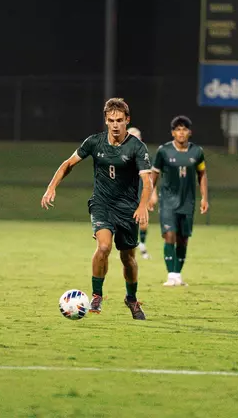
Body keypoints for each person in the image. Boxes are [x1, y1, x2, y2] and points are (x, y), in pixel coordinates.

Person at [41, 98, 152, 320]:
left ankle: (131, 299)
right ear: (106, 120)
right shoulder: (94, 142)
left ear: (127, 120)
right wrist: (51, 187)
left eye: (119, 120)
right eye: (111, 120)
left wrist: (142, 207)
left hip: (127, 209)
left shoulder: (137, 148)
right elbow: (68, 164)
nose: (115, 125)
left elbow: (147, 182)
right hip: (101, 204)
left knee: (128, 258)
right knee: (103, 247)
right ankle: (97, 295)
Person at [148, 115, 208, 287]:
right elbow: (154, 174)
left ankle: (177, 275)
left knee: (183, 239)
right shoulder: (164, 151)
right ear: (173, 133)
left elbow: (202, 174)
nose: (181, 133)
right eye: (178, 129)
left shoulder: (197, 152)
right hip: (167, 201)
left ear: (189, 132)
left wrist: (204, 197)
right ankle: (171, 274)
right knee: (169, 235)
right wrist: (151, 194)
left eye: (184, 129)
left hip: (187, 202)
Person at [127, 127, 151, 260]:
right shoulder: (121, 153)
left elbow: (151, 176)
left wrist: (152, 194)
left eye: (137, 136)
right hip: (125, 195)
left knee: (143, 222)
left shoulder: (144, 154)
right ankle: (129, 247)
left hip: (141, 193)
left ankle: (141, 244)